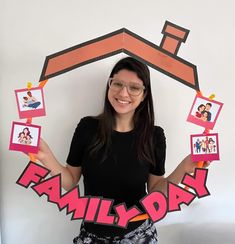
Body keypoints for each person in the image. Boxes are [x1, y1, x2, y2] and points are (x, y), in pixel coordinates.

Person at [32, 57, 210, 243]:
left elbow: (155, 190)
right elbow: (70, 181)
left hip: (139, 236)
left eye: (134, 87)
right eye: (117, 84)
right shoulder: (87, 128)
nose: (123, 93)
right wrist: (45, 157)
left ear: (144, 95)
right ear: (109, 86)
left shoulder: (154, 136)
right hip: (92, 236)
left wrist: (184, 167)